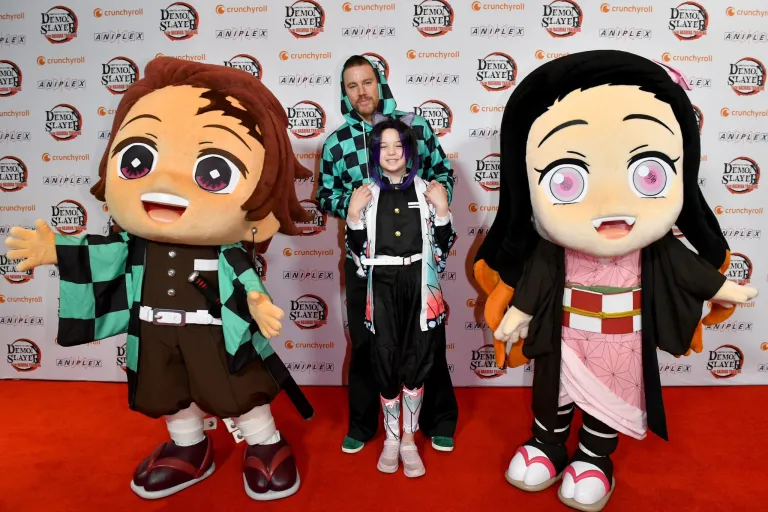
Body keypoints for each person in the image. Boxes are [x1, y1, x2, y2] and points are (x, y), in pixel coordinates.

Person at [4, 57, 314, 501]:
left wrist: (257, 303)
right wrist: (58, 250)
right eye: (137, 160)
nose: (166, 181)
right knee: (166, 390)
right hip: (154, 331)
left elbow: (247, 280)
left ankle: (265, 444)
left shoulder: (225, 251)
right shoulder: (136, 246)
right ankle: (189, 447)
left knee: (237, 387)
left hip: (213, 333)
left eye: (212, 171)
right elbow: (103, 255)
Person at [472, 50, 758, 511]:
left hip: (622, 345)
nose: (610, 204)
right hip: (564, 339)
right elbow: (536, 286)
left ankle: (593, 458)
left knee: (610, 400)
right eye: (567, 180)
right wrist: (517, 315)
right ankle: (546, 444)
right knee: (553, 394)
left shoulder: (655, 250)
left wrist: (724, 288)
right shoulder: (552, 251)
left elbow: (689, 272)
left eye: (649, 173)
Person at [317, 55, 458, 454]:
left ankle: (439, 420)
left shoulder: (415, 127)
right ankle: (362, 426)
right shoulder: (336, 143)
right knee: (365, 343)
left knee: (428, 339)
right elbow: (325, 195)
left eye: (367, 82)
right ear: (344, 93)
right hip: (366, 258)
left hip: (416, 253)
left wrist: (437, 199)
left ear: (380, 83)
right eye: (352, 86)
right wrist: (356, 206)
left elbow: (442, 172)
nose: (361, 92)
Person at [345, 114, 456, 477]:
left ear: (410, 151)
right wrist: (353, 216)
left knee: (418, 362)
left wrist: (442, 210)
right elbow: (357, 253)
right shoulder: (365, 194)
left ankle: (409, 439)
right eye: (383, 147)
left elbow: (442, 251)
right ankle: (391, 439)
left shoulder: (427, 191)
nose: (391, 153)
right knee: (384, 362)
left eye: (398, 146)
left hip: (419, 285)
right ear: (374, 153)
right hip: (382, 286)